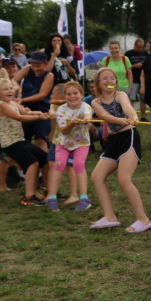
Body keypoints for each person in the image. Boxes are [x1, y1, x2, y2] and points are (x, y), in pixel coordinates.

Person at [88, 68, 151, 233]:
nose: (109, 81)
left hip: (128, 137)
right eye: (104, 79)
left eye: (112, 78)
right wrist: (119, 120)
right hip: (113, 141)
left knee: (124, 179)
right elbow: (104, 116)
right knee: (97, 176)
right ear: (98, 84)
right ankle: (110, 217)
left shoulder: (120, 95)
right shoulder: (96, 102)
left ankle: (143, 220)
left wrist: (134, 117)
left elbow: (128, 108)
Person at [0, 78, 52, 206]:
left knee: (44, 158)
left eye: (10, 88)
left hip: (19, 140)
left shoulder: (12, 103)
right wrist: (38, 118)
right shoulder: (2, 105)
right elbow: (19, 117)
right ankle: (29, 196)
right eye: (5, 89)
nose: (9, 91)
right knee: (32, 163)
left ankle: (49, 192)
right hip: (10, 143)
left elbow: (25, 112)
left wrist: (41, 113)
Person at [45, 81, 94, 212]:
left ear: (81, 95)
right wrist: (72, 123)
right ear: (65, 96)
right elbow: (64, 131)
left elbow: (88, 115)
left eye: (75, 93)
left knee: (78, 165)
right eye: (69, 94)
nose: (72, 96)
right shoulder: (61, 110)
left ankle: (84, 198)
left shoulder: (85, 107)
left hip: (81, 143)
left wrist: (87, 119)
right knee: (59, 164)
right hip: (64, 142)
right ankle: (52, 197)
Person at [16, 52, 55, 153]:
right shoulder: (27, 68)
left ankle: (44, 166)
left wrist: (22, 99)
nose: (35, 68)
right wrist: (13, 91)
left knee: (41, 139)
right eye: (33, 65)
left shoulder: (49, 75)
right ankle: (24, 167)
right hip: (24, 110)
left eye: (38, 66)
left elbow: (42, 95)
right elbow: (13, 81)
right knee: (23, 140)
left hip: (42, 111)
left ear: (46, 64)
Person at [124, 38, 148, 107]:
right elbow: (125, 67)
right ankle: (132, 116)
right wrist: (135, 65)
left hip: (143, 80)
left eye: (141, 47)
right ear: (134, 45)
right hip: (133, 80)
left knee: (143, 99)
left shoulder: (145, 53)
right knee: (131, 98)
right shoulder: (128, 54)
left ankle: (143, 117)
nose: (140, 49)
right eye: (138, 47)